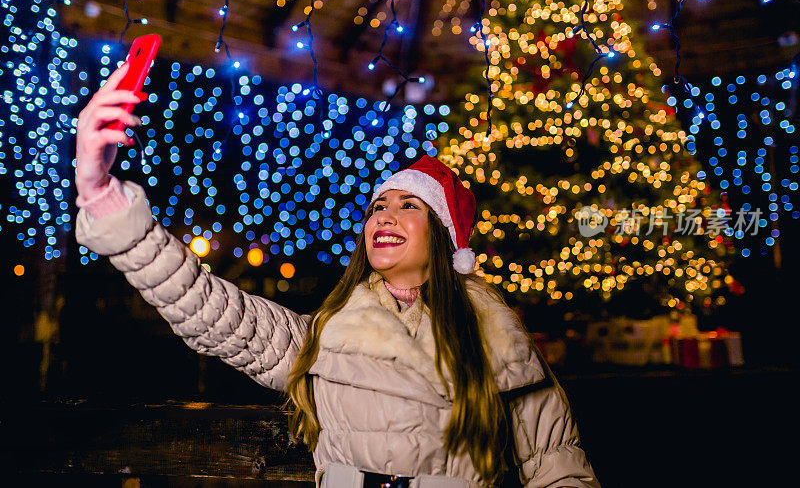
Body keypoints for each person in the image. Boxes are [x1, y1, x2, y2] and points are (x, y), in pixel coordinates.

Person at [74, 63, 600, 488]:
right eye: (377, 206)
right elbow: (210, 310)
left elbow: (557, 469)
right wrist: (103, 196)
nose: (385, 216)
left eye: (409, 205)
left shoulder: (498, 343)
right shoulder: (326, 336)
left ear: (444, 236)